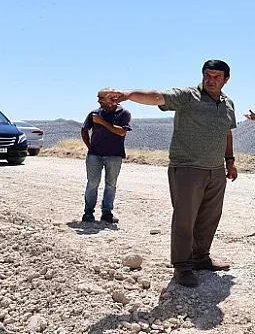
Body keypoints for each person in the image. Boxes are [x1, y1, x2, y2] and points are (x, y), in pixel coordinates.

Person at [99, 59, 238, 288]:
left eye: (216, 77)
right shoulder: (188, 96)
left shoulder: (227, 103)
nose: (210, 80)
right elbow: (157, 97)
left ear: (226, 80)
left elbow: (227, 133)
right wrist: (128, 94)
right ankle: (182, 267)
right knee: (185, 218)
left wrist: (229, 161)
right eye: (207, 75)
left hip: (215, 170)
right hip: (187, 168)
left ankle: (201, 258)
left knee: (209, 217)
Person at [80, 90, 132, 224]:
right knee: (92, 183)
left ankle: (107, 213)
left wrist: (102, 122)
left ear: (112, 98)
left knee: (111, 184)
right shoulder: (94, 113)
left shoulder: (124, 114)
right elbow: (84, 130)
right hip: (94, 155)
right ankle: (88, 213)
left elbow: (121, 132)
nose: (99, 100)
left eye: (102, 98)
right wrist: (90, 147)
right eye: (98, 97)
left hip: (114, 155)